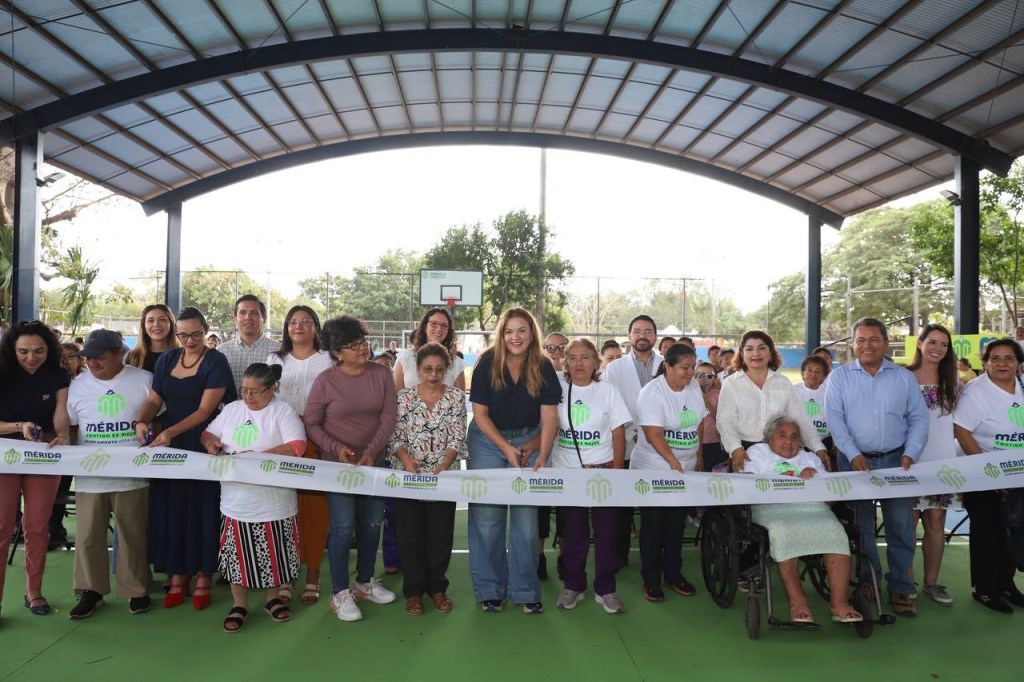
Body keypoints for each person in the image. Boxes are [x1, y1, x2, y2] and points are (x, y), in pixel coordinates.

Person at [825, 317, 929, 617]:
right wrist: (853, 453)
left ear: (885, 343)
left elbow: (919, 417)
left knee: (901, 526)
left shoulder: (903, 378)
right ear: (852, 344)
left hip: (897, 462)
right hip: (853, 462)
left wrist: (911, 452)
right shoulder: (839, 377)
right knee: (861, 526)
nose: (867, 345)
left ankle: (900, 587)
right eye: (861, 340)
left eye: (873, 339)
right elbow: (835, 420)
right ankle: (867, 582)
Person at [134, 307, 235, 611]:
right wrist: (141, 421)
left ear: (206, 330)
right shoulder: (166, 359)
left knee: (203, 508)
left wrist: (169, 433)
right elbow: (154, 399)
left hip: (202, 442)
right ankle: (177, 576)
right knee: (171, 507)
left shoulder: (216, 361)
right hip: (169, 444)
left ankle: (204, 577)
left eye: (195, 334)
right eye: (183, 335)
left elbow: (205, 411)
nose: (189, 340)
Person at [305, 315, 398, 622]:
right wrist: (337, 449)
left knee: (372, 524)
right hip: (338, 467)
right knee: (343, 527)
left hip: (374, 464)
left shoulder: (381, 374)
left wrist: (371, 452)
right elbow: (311, 424)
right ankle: (340, 592)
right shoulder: (325, 381)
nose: (362, 348)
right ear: (337, 352)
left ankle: (365, 582)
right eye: (353, 345)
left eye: (363, 341)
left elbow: (388, 417)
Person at [467, 307, 560, 614]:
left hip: (529, 440)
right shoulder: (486, 362)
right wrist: (506, 448)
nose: (515, 337)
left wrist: (541, 451)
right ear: (501, 335)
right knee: (487, 518)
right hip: (487, 440)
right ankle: (490, 590)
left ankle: (525, 590)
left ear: (532, 333)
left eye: (521, 330)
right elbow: (480, 414)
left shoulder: (543, 365)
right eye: (508, 331)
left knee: (526, 521)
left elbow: (550, 417)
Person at [201, 363, 306, 632]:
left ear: (272, 389)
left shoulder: (282, 411)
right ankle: (239, 604)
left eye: (255, 392)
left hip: (274, 500)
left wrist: (255, 458)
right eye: (244, 390)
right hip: (236, 500)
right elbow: (208, 433)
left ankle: (272, 599)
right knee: (238, 555)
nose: (248, 397)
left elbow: (297, 446)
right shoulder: (232, 409)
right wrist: (211, 443)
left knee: (274, 552)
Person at [66, 330, 154, 619]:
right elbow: (71, 426)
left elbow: (158, 419)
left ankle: (136, 590)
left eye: (100, 357)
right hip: (90, 475)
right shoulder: (77, 385)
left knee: (132, 534)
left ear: (120, 354)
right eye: (88, 358)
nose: (92, 363)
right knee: (88, 536)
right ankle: (91, 591)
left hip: (133, 475)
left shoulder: (144, 380)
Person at [745, 417, 862, 624]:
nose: (788, 442)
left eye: (794, 437)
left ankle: (840, 603)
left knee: (835, 530)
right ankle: (798, 602)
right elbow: (747, 485)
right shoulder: (757, 453)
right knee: (783, 531)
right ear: (770, 439)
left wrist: (816, 480)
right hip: (773, 508)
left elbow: (830, 499)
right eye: (782, 435)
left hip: (814, 508)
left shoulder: (810, 459)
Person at [387, 343, 466, 615]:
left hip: (443, 479)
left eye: (439, 369)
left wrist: (444, 464)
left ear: (447, 371)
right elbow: (396, 436)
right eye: (428, 369)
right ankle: (413, 592)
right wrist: (407, 460)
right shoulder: (403, 398)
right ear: (418, 370)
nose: (433, 374)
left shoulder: (456, 398)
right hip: (407, 477)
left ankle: (437, 589)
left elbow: (458, 435)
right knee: (409, 537)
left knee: (440, 537)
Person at [552, 339, 630, 614]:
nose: (578, 363)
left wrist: (617, 472)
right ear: (565, 363)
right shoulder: (558, 390)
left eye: (585, 357)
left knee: (607, 532)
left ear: (596, 362)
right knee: (573, 532)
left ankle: (606, 589)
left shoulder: (608, 391)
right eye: (572, 357)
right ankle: (573, 585)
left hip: (603, 471)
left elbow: (619, 433)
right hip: (568, 471)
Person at [0, 321, 71, 618]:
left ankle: (34, 592)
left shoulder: (58, 374)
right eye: (24, 352)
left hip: (43, 455)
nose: (31, 358)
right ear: (12, 350)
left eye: (39, 351)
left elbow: (61, 414)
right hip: (4, 457)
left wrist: (63, 435)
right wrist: (19, 426)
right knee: (2, 528)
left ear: (49, 350)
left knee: (38, 526)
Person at [267, 305, 334, 607]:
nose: (298, 326)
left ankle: (314, 572)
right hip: (280, 441)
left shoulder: (328, 360)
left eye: (305, 321)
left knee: (315, 509)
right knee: (284, 508)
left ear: (315, 327)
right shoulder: (274, 360)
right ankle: (287, 572)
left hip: (316, 440)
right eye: (293, 322)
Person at [953, 337, 1024, 613]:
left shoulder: (1021, 385)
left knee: (1013, 531)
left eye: (1009, 358)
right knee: (988, 531)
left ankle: (1005, 583)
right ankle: (984, 589)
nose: (1002, 363)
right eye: (995, 358)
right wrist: (988, 472)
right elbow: (961, 430)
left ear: (1018, 363)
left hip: (1017, 473)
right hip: (982, 473)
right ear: (985, 363)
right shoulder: (975, 392)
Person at [631, 344, 705, 602]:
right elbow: (653, 434)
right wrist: (673, 462)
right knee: (654, 525)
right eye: (685, 367)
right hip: (654, 468)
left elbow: (699, 424)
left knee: (676, 524)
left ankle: (673, 574)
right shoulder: (652, 392)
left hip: (684, 469)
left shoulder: (693, 388)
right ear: (668, 366)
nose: (690, 373)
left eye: (693, 367)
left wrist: (698, 457)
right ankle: (651, 579)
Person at [718, 330, 828, 473]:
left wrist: (818, 448)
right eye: (749, 349)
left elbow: (800, 418)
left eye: (762, 348)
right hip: (744, 453)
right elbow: (725, 421)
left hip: (781, 453)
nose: (756, 353)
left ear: (770, 353)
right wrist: (735, 448)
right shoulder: (731, 384)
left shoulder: (783, 382)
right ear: (742, 354)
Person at [602, 315, 663, 568]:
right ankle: (619, 555)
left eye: (648, 331)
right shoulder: (615, 368)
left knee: (655, 506)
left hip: (659, 446)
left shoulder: (666, 364)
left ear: (655, 336)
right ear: (629, 336)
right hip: (625, 442)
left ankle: (655, 557)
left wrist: (649, 431)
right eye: (637, 331)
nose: (642, 336)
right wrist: (635, 430)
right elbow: (609, 405)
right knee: (622, 505)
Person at [908, 323, 960, 607]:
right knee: (908, 522)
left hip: (942, 464)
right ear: (920, 343)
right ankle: (905, 583)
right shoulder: (903, 376)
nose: (938, 348)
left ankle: (931, 582)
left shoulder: (954, 381)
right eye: (932, 342)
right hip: (909, 462)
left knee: (936, 521)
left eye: (944, 344)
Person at [538, 330, 570, 580]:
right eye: (551, 347)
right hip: (540, 447)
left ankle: (564, 556)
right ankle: (538, 556)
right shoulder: (536, 375)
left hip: (568, 449)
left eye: (562, 347)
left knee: (565, 508)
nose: (557, 352)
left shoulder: (576, 378)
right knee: (539, 505)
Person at [393, 308, 466, 391]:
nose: (439, 329)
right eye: (434, 323)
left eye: (444, 325)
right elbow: (395, 395)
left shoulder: (456, 362)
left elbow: (459, 397)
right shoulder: (405, 357)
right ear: (425, 326)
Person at [218, 295, 280, 392]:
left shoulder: (278, 351)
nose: (248, 317)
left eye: (254, 313)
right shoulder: (221, 352)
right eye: (242, 313)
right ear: (235, 318)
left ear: (264, 318)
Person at [793, 354, 832, 467]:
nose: (813, 374)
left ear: (824, 376)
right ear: (802, 373)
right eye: (809, 370)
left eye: (818, 371)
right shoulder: (793, 391)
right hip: (798, 444)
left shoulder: (830, 394)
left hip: (823, 443)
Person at [126, 304, 179, 373]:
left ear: (171, 324)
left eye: (162, 320)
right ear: (144, 326)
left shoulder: (183, 355)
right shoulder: (133, 357)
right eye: (150, 320)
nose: (156, 324)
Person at [696, 361, 724, 471]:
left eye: (709, 376)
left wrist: (707, 402)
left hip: (713, 442)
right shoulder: (688, 394)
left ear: (715, 379)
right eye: (700, 375)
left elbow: (720, 418)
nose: (705, 379)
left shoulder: (718, 395)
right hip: (693, 443)